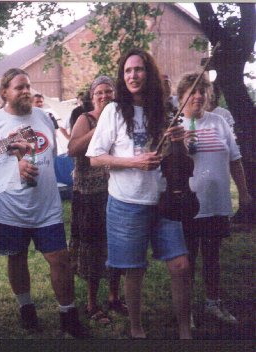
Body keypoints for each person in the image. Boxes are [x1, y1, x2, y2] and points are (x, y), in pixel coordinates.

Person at [87, 48, 192, 339]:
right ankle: (136, 328)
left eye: (139, 69)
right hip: (126, 204)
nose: (133, 75)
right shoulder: (114, 110)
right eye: (128, 71)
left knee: (181, 265)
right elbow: (95, 157)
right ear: (123, 77)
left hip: (163, 200)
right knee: (134, 270)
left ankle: (185, 331)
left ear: (150, 73)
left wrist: (179, 142)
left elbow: (177, 160)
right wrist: (133, 161)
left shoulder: (165, 111)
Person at [0, 68, 87, 338]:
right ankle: (26, 307)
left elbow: (50, 155)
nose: (26, 91)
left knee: (59, 259)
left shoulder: (44, 118)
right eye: (19, 87)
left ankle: (68, 315)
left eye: (28, 86)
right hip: (9, 209)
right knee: (16, 258)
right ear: (5, 92)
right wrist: (13, 168)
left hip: (46, 207)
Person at [176, 73, 252, 326]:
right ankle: (185, 310)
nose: (198, 96)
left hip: (216, 204)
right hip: (187, 206)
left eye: (202, 91)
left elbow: (235, 160)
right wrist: (178, 145)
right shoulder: (174, 126)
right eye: (192, 91)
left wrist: (243, 192)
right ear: (181, 96)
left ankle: (212, 302)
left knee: (212, 256)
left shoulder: (219, 122)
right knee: (187, 261)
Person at [67, 76, 127, 325]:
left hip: (116, 192)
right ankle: (92, 303)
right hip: (89, 196)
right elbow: (72, 149)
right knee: (93, 249)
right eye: (99, 92)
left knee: (115, 246)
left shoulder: (122, 117)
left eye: (109, 92)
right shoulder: (85, 118)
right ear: (92, 97)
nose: (104, 96)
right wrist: (98, 128)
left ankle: (114, 296)